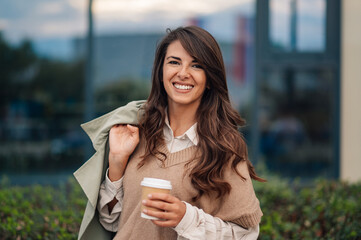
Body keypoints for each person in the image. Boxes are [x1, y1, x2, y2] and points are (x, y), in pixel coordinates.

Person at [74, 26, 264, 240]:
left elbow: (246, 234)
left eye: (197, 65)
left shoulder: (225, 148)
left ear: (210, 78)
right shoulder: (136, 133)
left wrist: (186, 218)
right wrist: (117, 163)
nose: (183, 73)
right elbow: (112, 221)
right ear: (160, 71)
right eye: (174, 62)